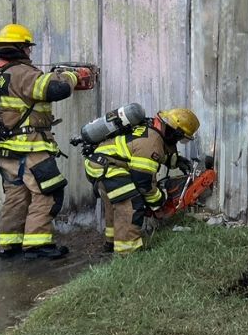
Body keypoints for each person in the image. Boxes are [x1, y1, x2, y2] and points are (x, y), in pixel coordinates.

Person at [0, 24, 93, 259]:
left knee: (16, 197)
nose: (29, 52)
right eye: (28, 47)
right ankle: (37, 245)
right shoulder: (21, 72)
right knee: (49, 193)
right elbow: (55, 88)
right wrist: (73, 76)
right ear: (21, 47)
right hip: (30, 147)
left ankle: (9, 245)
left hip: (5, 150)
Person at [83, 108, 199, 254]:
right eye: (180, 138)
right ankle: (128, 252)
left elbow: (149, 152)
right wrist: (159, 202)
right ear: (175, 132)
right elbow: (144, 183)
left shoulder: (151, 128)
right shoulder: (152, 142)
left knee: (117, 204)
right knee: (131, 203)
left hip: (99, 164)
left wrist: (177, 161)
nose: (178, 141)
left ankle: (111, 243)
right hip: (107, 167)